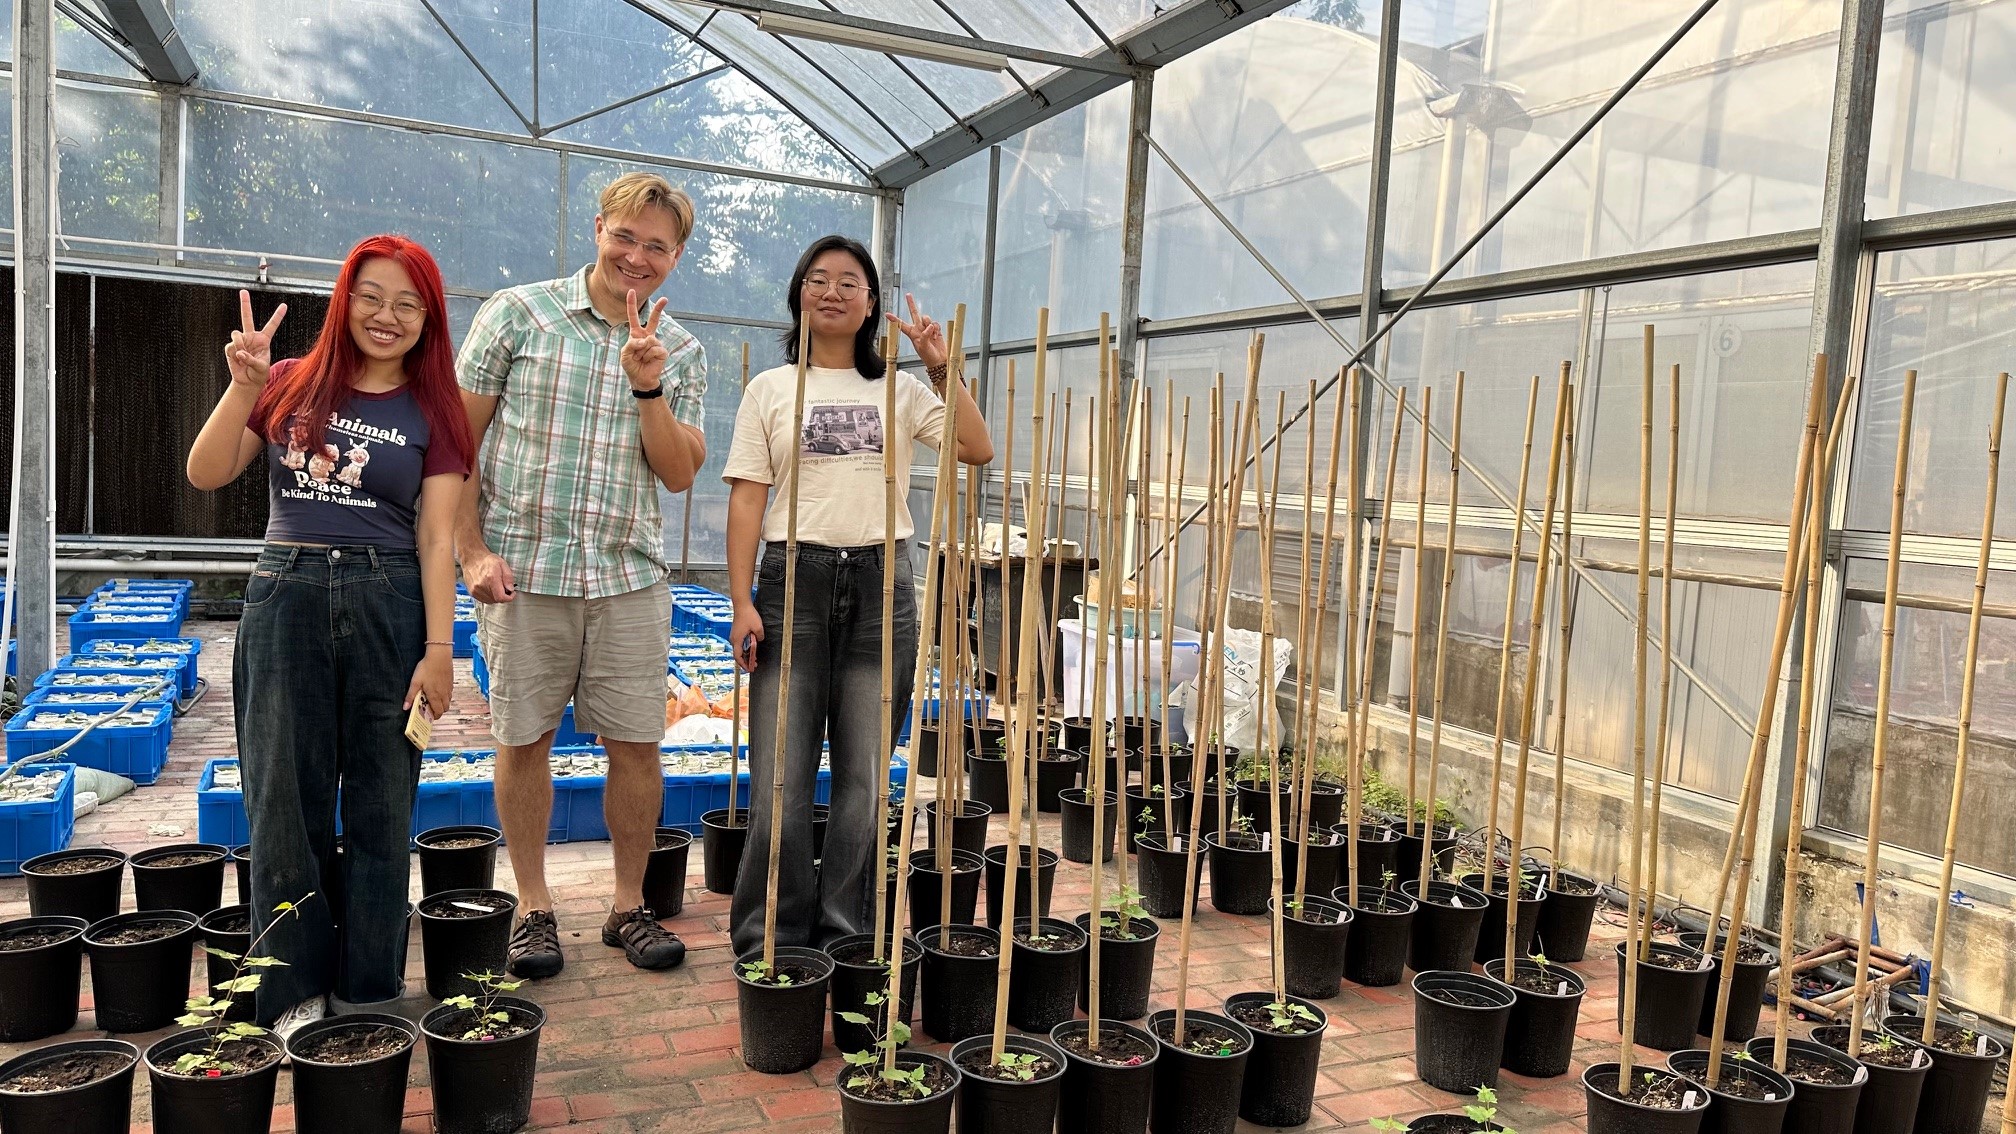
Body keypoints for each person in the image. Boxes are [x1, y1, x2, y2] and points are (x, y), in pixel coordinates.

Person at [185, 235, 472, 1034]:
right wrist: (241, 389)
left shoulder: (436, 410)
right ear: (345, 298)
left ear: (429, 318)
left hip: (389, 601)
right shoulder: (286, 382)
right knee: (284, 801)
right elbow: (206, 473)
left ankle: (370, 989)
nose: (388, 316)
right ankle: (290, 993)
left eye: (408, 303)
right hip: (288, 592)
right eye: (373, 296)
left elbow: (437, 539)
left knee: (382, 806)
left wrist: (441, 651)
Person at [456, 171, 708, 977]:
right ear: (598, 228)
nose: (637, 256)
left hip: (628, 581)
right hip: (525, 575)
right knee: (522, 739)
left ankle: (628, 905)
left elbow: (677, 473)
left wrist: (649, 385)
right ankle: (532, 906)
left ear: (676, 257)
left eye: (657, 246)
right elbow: (456, 449)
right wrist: (471, 553)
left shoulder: (683, 352)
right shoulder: (517, 315)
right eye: (625, 236)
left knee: (638, 747)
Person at [724, 234, 993, 955]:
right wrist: (742, 598)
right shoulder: (770, 390)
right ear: (798, 296)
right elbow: (748, 500)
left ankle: (847, 933)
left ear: (872, 303)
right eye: (819, 279)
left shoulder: (902, 390)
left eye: (851, 282)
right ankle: (769, 938)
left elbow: (977, 447)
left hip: (881, 584)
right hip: (793, 582)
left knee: (864, 776)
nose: (834, 291)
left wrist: (940, 364)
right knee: (780, 776)